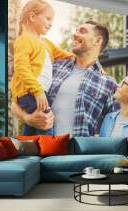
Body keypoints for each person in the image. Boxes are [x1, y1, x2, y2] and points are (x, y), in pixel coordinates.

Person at [11, 21, 118, 136]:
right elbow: (16, 102)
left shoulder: (108, 83)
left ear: (97, 40)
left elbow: (115, 126)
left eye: (82, 31)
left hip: (77, 153)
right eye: (76, 30)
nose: (74, 34)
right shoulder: (53, 66)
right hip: (42, 150)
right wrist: (28, 118)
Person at [10, 0, 73, 135]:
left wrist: (94, 62)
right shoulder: (24, 40)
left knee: (33, 127)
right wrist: (37, 91)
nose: (51, 23)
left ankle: (28, 151)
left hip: (38, 93)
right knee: (46, 122)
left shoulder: (46, 43)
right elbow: (21, 68)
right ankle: (50, 152)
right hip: (31, 93)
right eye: (48, 18)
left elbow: (66, 55)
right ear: (33, 17)